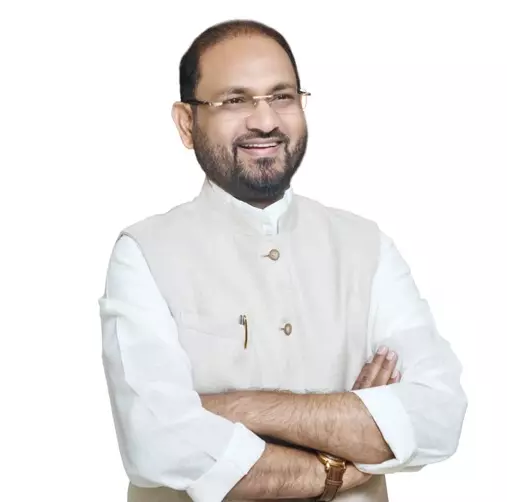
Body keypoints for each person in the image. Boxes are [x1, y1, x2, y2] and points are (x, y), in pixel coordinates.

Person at [98, 19, 468, 502]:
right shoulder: (144, 253)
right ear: (187, 123)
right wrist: (343, 457)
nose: (266, 121)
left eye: (282, 96)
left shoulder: (366, 246)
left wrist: (240, 408)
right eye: (235, 100)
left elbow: (439, 417)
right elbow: (157, 444)